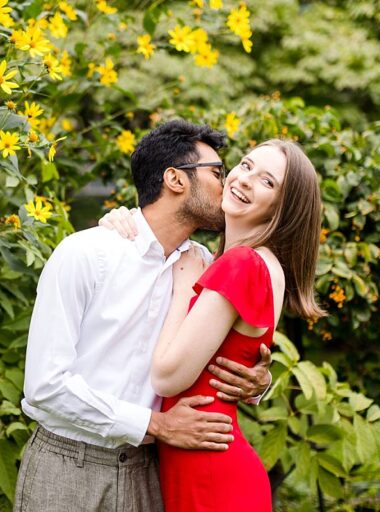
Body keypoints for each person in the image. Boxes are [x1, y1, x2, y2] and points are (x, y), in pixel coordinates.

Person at [14, 121, 273, 512]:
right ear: (175, 179)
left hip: (147, 470)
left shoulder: (202, 265)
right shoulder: (86, 254)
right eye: (217, 173)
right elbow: (45, 387)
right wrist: (157, 426)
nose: (229, 183)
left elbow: (222, 352)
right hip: (68, 464)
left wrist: (258, 381)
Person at [100, 139, 325, 511]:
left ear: (284, 208)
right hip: (199, 464)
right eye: (247, 165)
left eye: (268, 182)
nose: (246, 180)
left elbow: (168, 376)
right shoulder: (238, 260)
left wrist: (184, 284)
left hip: (211, 474)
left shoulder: (243, 264)